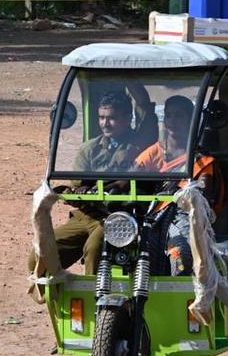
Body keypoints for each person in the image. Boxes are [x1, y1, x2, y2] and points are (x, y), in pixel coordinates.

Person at [27, 88, 156, 289]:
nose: (105, 123)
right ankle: (61, 302)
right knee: (41, 252)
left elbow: (146, 109)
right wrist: (78, 193)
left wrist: (132, 79)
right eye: (101, 117)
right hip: (86, 215)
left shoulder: (140, 144)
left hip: (120, 216)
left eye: (112, 118)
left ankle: (96, 303)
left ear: (127, 117)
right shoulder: (90, 148)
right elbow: (77, 186)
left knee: (95, 249)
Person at [132, 95, 218, 276]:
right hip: (154, 216)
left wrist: (192, 189)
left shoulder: (199, 158)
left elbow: (204, 190)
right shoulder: (155, 151)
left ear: (191, 120)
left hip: (184, 217)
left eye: (179, 116)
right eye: (169, 115)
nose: (172, 121)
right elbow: (130, 177)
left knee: (182, 256)